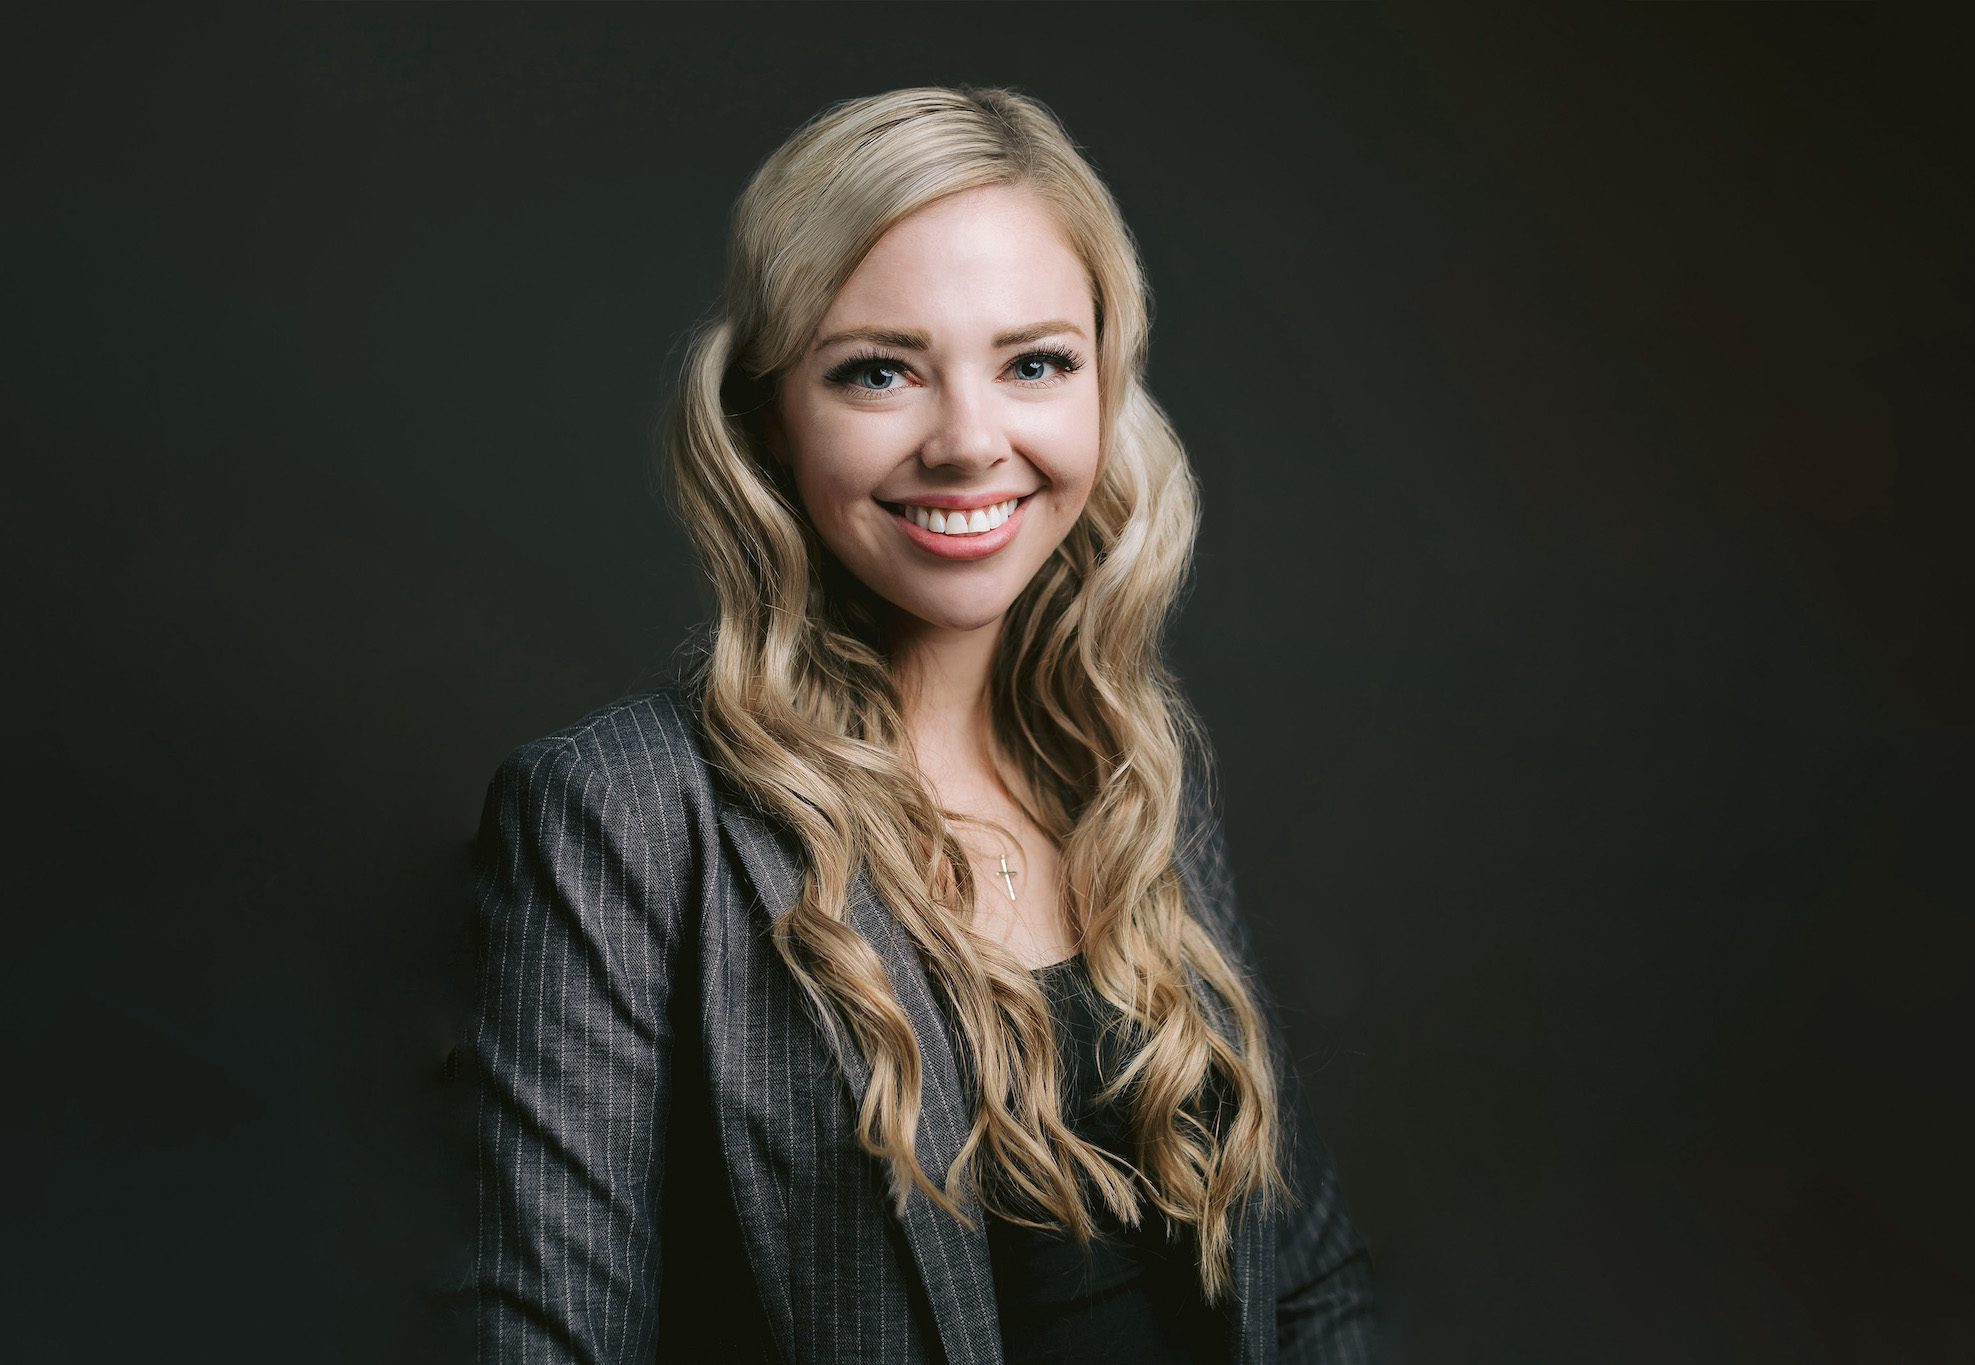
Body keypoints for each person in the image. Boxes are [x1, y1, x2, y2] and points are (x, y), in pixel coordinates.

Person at [467, 86, 1375, 1364]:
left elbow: (1305, 1286)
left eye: (1034, 363)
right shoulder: (618, 814)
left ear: (1106, 392)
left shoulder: (1128, 777)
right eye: (878, 370)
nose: (966, 441)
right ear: (766, 422)